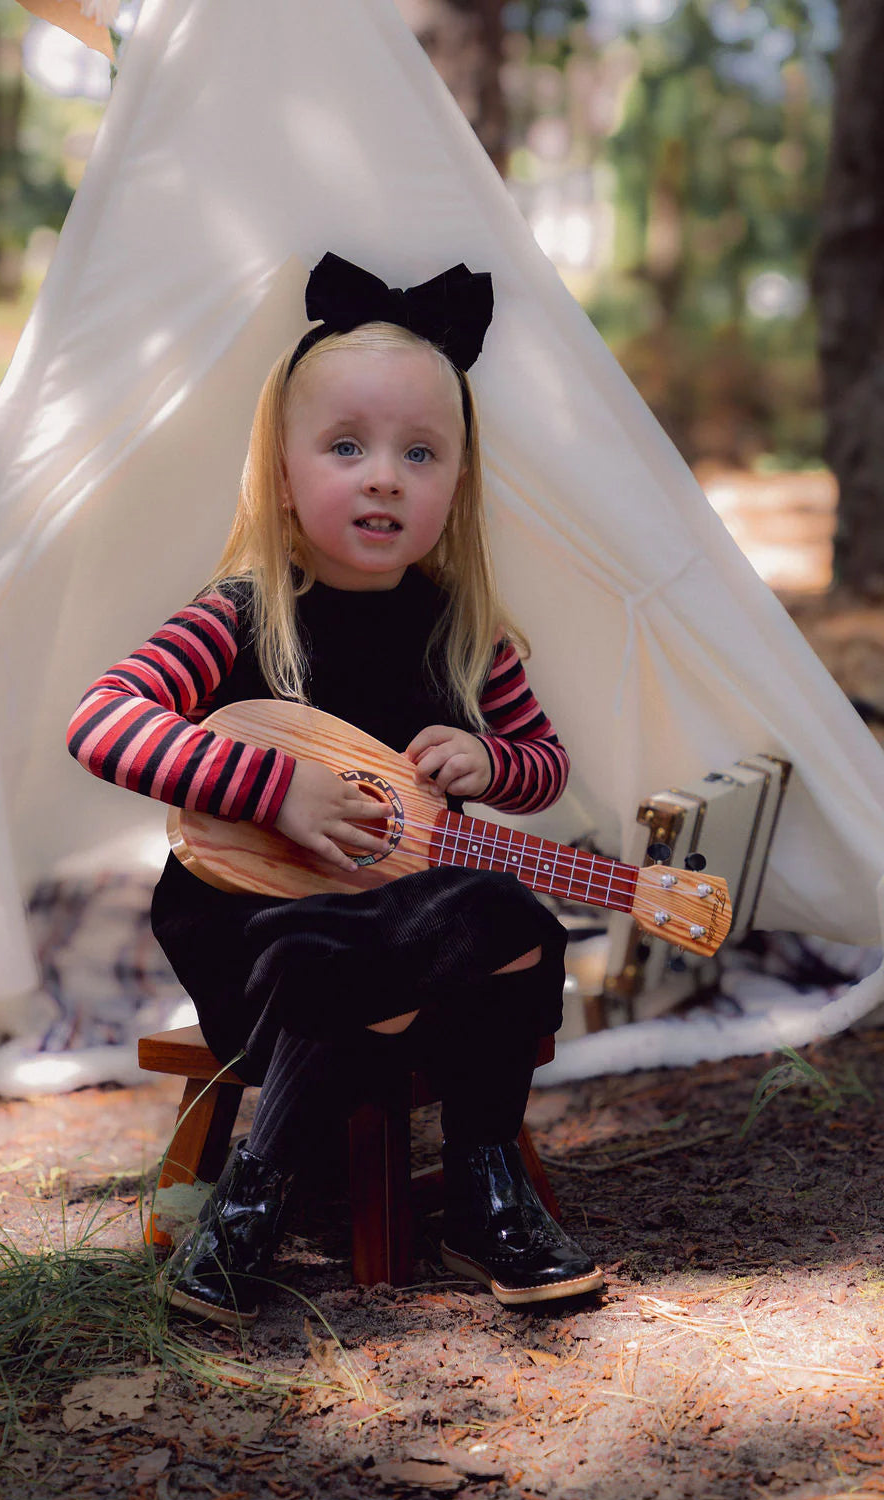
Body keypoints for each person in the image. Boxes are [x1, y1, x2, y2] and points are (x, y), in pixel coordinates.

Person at [67, 252, 602, 1325]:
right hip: (259, 925)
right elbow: (104, 721)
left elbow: (545, 768)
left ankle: (481, 1186)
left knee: (512, 914)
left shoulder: (466, 634)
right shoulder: (237, 614)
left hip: (410, 917)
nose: (383, 476)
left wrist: (493, 763)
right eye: (346, 447)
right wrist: (273, 790)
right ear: (280, 471)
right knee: (316, 957)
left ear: (456, 482)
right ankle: (251, 1198)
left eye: (419, 453)